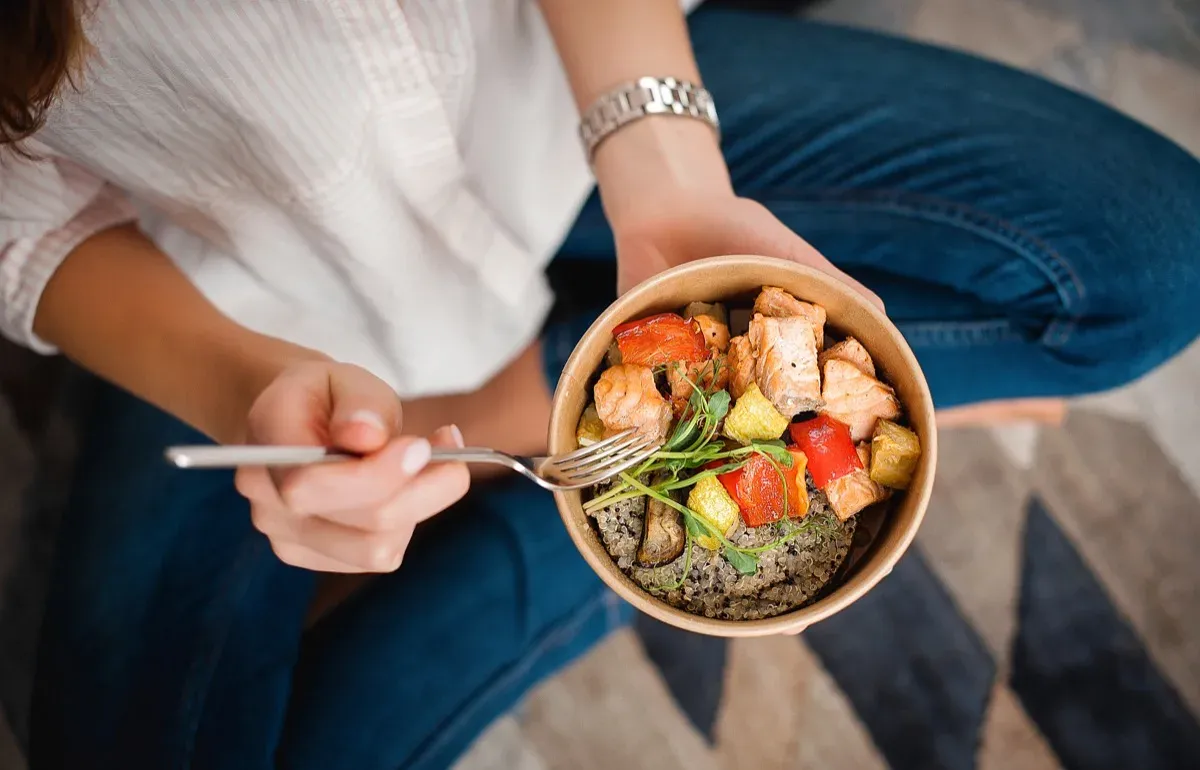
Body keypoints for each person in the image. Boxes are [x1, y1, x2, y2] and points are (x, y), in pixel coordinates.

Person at [2, 0, 1198, 767]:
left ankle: (562, 467)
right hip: (240, 291)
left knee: (1156, 258)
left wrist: (669, 175)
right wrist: (237, 385)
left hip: (577, 113)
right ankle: (584, 480)